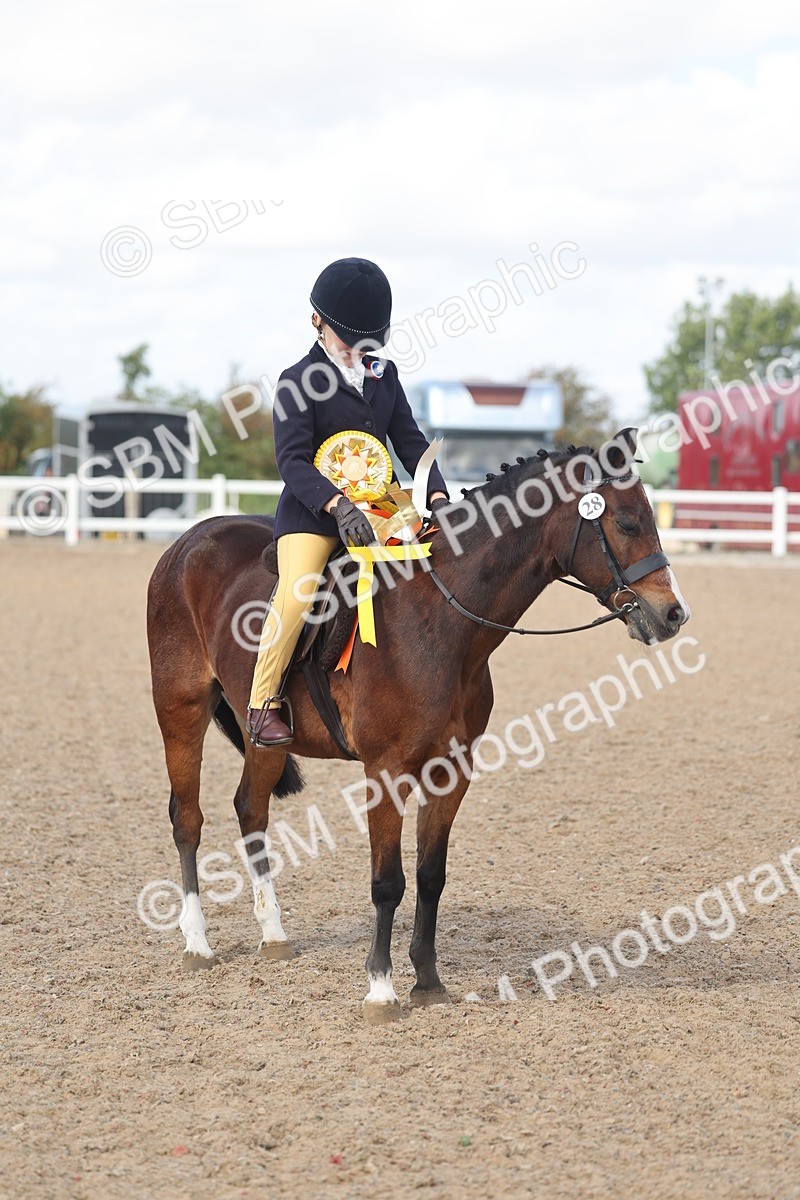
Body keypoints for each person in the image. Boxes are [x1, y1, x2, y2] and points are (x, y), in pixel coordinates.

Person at [246, 257, 449, 747]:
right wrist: (337, 505)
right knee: (299, 590)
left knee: (438, 567)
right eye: (347, 339)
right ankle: (261, 703)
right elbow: (292, 461)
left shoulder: (384, 374)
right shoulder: (297, 380)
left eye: (366, 343)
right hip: (314, 514)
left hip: (381, 507)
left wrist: (436, 490)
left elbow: (410, 440)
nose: (357, 351)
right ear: (316, 320)